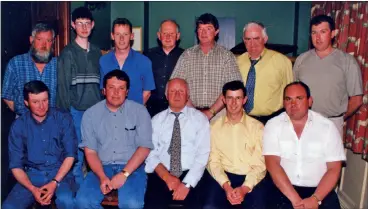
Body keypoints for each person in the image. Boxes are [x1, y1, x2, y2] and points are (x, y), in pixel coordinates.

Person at [75, 70, 154, 209]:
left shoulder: (140, 111)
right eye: (111, 87)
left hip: (132, 168)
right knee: (83, 201)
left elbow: (144, 147)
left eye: (121, 88)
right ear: (104, 90)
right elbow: (91, 152)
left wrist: (124, 174)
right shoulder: (90, 114)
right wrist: (101, 176)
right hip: (101, 167)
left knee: (132, 204)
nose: (116, 92)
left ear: (127, 91)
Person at [263, 81, 346, 209]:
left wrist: (315, 199)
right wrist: (297, 201)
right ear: (283, 102)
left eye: (299, 98)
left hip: (319, 190)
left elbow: (334, 169)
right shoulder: (273, 125)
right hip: (284, 189)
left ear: (310, 101)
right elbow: (272, 165)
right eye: (288, 99)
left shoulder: (327, 127)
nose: (293, 104)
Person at [2, 80, 77, 209]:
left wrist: (54, 182)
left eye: (45, 100)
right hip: (32, 175)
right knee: (9, 207)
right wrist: (32, 189)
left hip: (60, 173)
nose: (41, 106)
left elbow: (71, 155)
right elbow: (16, 166)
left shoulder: (63, 118)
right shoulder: (19, 125)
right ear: (26, 103)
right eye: (35, 102)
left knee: (67, 201)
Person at [144, 78, 210, 209]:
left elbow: (202, 156)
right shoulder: (156, 120)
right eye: (173, 91)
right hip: (162, 174)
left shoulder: (200, 120)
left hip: (191, 174)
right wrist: (167, 177)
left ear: (188, 95)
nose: (177, 94)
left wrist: (186, 184)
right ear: (166, 95)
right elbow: (150, 153)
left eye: (181, 91)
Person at [293, 14, 363, 135]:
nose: (318, 37)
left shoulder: (347, 61)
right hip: (304, 122)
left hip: (332, 123)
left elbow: (356, 99)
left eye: (323, 32)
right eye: (314, 33)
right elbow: (293, 93)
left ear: (332, 33)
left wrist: (339, 118)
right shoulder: (301, 60)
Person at [56, 6, 102, 190]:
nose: (84, 27)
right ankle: (78, 190)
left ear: (93, 25)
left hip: (97, 111)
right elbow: (63, 89)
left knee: (95, 151)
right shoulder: (67, 54)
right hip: (76, 112)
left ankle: (93, 188)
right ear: (73, 25)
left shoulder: (97, 52)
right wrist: (65, 116)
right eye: (80, 23)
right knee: (76, 153)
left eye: (87, 23)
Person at [204, 80, 266, 209]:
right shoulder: (213, 127)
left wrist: (244, 189)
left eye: (238, 98)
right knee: (209, 206)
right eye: (230, 98)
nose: (233, 103)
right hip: (222, 178)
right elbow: (213, 162)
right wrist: (226, 186)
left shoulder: (257, 127)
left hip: (250, 179)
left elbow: (259, 165)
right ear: (223, 100)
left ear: (244, 100)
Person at [170, 13, 242, 121]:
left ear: (216, 31)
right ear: (197, 32)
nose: (203, 32)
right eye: (200, 29)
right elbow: (176, 85)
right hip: (190, 115)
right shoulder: (187, 55)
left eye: (208, 28)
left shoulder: (227, 56)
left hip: (219, 116)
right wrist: (194, 112)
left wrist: (211, 112)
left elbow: (233, 89)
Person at [237, 22, 293, 125]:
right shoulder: (237, 62)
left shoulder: (282, 61)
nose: (252, 44)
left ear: (265, 39)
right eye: (248, 39)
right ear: (243, 40)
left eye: (256, 38)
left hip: (273, 121)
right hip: (244, 120)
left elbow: (290, 96)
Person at [2, 23, 57, 117]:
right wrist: (24, 116)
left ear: (53, 42)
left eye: (48, 40)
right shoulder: (16, 63)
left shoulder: (58, 64)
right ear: (31, 40)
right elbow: (6, 95)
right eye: (39, 39)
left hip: (52, 122)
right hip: (24, 122)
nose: (44, 45)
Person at [100, 18, 155, 105]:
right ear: (112, 36)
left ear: (131, 36)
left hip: (135, 114)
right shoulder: (103, 61)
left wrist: (133, 112)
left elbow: (147, 93)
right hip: (110, 113)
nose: (121, 38)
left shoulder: (144, 61)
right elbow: (104, 90)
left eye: (125, 34)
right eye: (118, 34)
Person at [144, 19, 184, 117]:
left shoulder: (185, 56)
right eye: (165, 33)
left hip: (177, 109)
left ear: (178, 36)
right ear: (159, 35)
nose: (168, 37)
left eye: (171, 33)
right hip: (151, 110)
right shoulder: (148, 55)